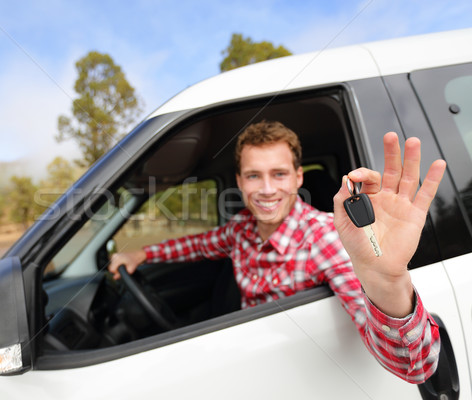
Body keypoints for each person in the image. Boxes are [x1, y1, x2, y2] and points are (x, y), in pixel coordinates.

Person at [108, 120, 445, 384]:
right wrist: (142, 255)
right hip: (245, 359)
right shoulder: (240, 228)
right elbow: (197, 245)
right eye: (254, 176)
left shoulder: (325, 237)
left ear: (298, 177)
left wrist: (386, 281)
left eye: (279, 174)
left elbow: (415, 369)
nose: (267, 189)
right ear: (240, 182)